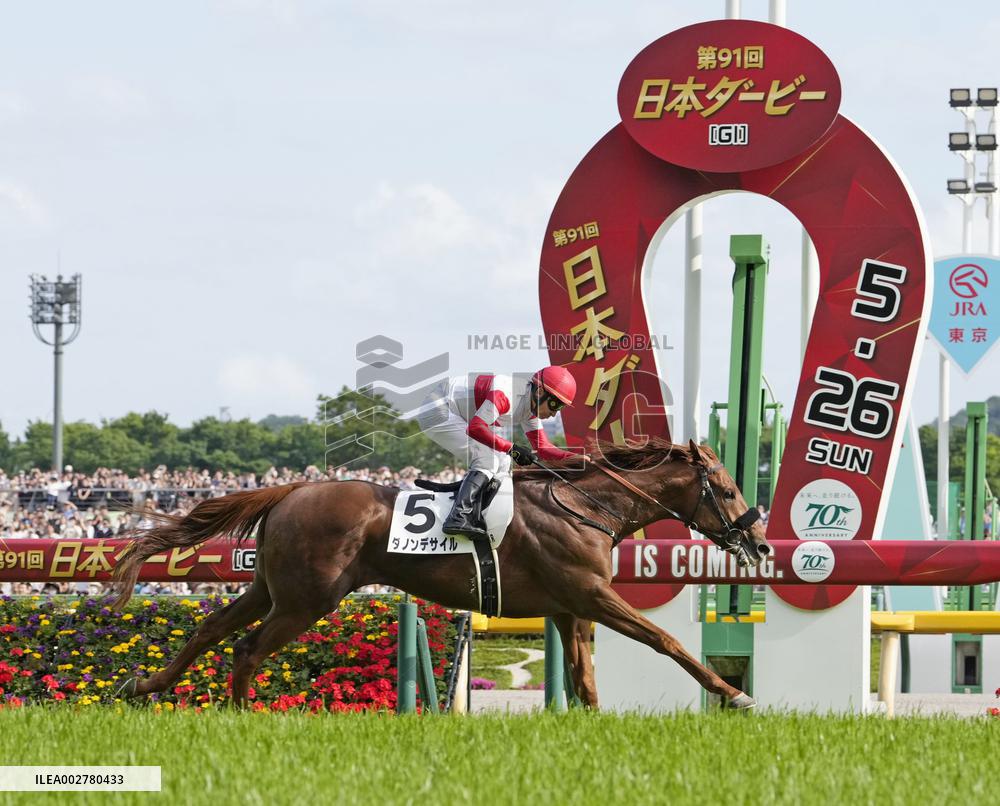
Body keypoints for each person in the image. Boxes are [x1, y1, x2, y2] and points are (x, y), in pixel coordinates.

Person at [418, 366, 581, 538]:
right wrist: (511, 448)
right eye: (555, 404)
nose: (554, 413)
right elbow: (476, 428)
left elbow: (544, 449)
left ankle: (478, 514)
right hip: (438, 409)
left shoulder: (530, 407)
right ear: (540, 392)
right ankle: (458, 517)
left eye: (560, 407)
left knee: (503, 461)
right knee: (487, 459)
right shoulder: (507, 395)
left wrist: (582, 459)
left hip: (455, 412)